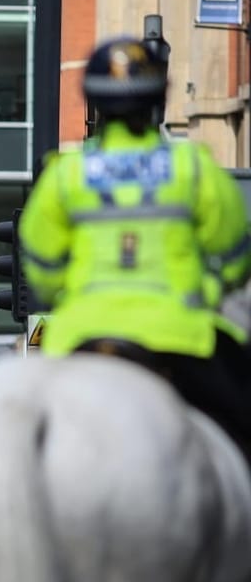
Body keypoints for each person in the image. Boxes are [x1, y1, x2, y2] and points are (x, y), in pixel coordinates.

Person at [19, 37, 251, 459]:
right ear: (158, 98)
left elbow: (40, 266)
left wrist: (64, 294)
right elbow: (235, 256)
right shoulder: (193, 168)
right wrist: (214, 289)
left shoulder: (64, 175)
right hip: (180, 337)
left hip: (82, 336)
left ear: (92, 101)